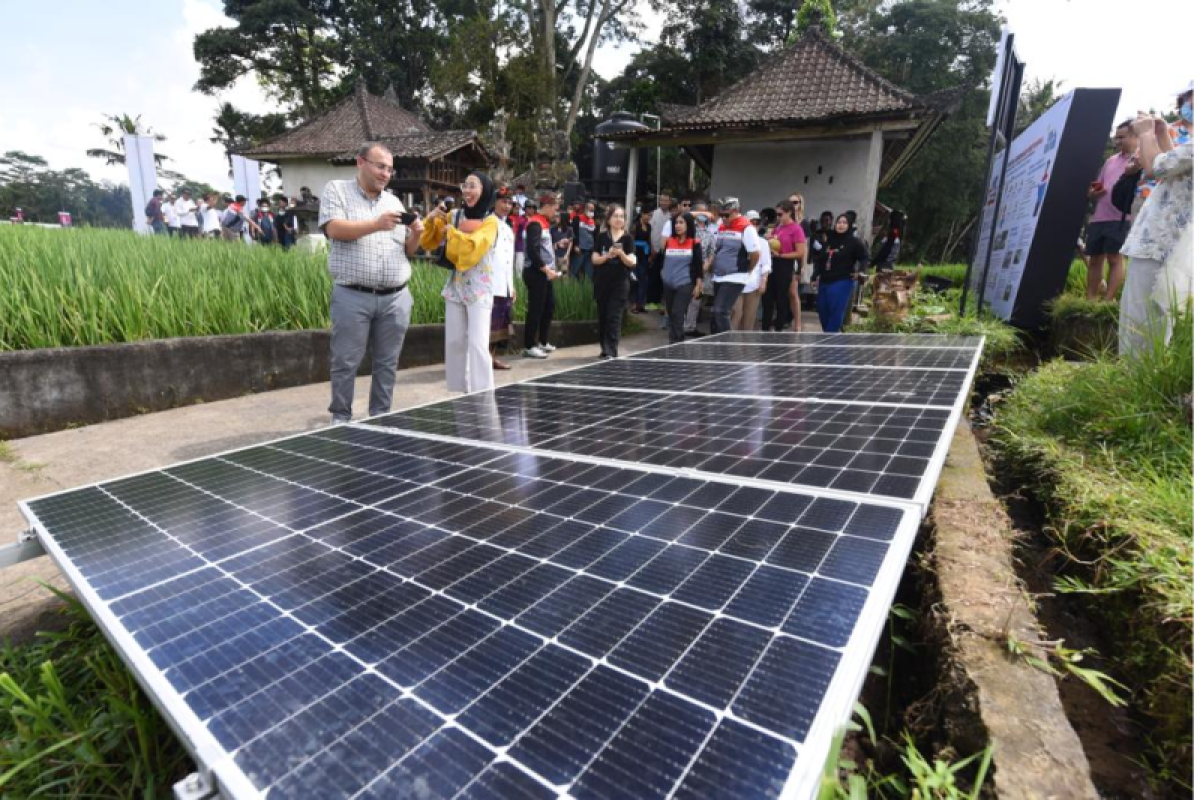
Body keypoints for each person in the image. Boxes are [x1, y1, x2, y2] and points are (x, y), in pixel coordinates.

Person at [318, 141, 422, 423]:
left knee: (387, 364)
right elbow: (333, 229)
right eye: (380, 166)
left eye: (389, 169)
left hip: (395, 297)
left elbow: (407, 252)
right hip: (353, 295)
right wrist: (375, 224)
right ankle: (340, 417)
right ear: (360, 162)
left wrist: (416, 234)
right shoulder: (336, 190)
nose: (385, 173)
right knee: (345, 361)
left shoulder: (394, 202)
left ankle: (380, 416)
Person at [1119, 95, 1193, 356]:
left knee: (1141, 316)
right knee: (1156, 315)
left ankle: (1134, 382)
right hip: (1167, 243)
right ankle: (1142, 379)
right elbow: (1176, 165)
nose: (1189, 111)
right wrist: (1162, 134)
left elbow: (1155, 168)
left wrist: (1146, 134)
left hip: (1161, 243)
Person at [423, 170, 501, 393]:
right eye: (465, 185)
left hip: (479, 288)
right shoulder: (455, 216)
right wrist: (433, 219)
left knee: (477, 344)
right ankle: (458, 391)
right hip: (456, 287)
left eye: (473, 185)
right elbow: (430, 241)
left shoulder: (490, 221)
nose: (467, 191)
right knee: (455, 342)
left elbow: (474, 249)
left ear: (484, 190)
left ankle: (483, 392)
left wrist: (453, 234)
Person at [1084, 120, 1139, 300]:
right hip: (1100, 217)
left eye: (1121, 137)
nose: (1117, 142)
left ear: (1134, 136)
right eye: (1116, 138)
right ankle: (1090, 301)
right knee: (1094, 260)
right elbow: (1095, 187)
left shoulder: (1141, 159)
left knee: (1114, 259)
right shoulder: (1111, 161)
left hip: (1122, 218)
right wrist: (1093, 192)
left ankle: (1108, 301)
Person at [591, 204, 637, 358]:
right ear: (609, 219)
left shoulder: (628, 238)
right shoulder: (601, 237)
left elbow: (632, 261)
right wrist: (607, 256)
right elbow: (595, 259)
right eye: (615, 216)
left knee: (614, 316)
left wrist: (621, 254)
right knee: (603, 316)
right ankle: (604, 348)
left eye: (621, 216)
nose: (619, 219)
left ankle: (611, 350)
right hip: (602, 282)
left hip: (620, 283)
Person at [522, 193, 563, 358]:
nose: (556, 211)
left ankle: (543, 341)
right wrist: (546, 269)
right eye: (554, 207)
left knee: (549, 306)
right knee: (536, 308)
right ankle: (529, 345)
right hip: (536, 272)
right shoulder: (535, 224)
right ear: (546, 206)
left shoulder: (544, 223)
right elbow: (532, 250)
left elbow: (543, 246)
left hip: (545, 273)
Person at [710, 197, 760, 334]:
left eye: (727, 215)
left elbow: (755, 254)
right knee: (715, 313)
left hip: (735, 275)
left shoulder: (747, 228)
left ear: (736, 211)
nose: (723, 218)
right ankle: (716, 345)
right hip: (719, 275)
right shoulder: (721, 226)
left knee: (721, 311)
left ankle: (728, 346)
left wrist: (748, 269)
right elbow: (718, 249)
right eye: (721, 215)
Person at [813, 213, 868, 333]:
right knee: (822, 310)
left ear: (849, 225)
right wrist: (815, 275)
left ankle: (829, 338)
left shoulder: (854, 242)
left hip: (842, 281)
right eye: (839, 222)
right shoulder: (829, 239)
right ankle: (830, 335)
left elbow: (864, 257)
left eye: (844, 223)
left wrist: (860, 272)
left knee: (836, 310)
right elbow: (821, 258)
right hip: (824, 280)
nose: (841, 225)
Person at [661, 212, 704, 344]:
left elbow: (698, 267)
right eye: (676, 223)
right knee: (671, 314)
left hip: (685, 283)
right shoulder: (668, 242)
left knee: (677, 313)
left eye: (681, 222)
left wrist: (698, 285)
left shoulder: (694, 243)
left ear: (688, 224)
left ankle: (675, 343)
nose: (678, 225)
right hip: (668, 283)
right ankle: (676, 341)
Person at [763, 201, 806, 331]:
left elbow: (800, 252)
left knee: (781, 299)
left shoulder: (796, 229)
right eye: (777, 214)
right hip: (772, 263)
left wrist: (781, 256)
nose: (778, 217)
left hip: (785, 264)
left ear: (789, 213)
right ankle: (765, 328)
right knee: (767, 298)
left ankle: (779, 329)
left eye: (780, 214)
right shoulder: (778, 227)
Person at [490, 186, 517, 371]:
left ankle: (492, 358)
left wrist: (511, 285)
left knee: (500, 324)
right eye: (503, 201)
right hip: (490, 282)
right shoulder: (488, 222)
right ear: (495, 202)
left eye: (510, 203)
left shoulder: (508, 227)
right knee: (488, 325)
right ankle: (483, 360)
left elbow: (509, 260)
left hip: (504, 283)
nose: (507, 206)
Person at [683, 202, 717, 336]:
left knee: (696, 299)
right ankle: (680, 325)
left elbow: (712, 251)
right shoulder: (689, 227)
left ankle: (690, 327)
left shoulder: (710, 231)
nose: (704, 215)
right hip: (687, 266)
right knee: (684, 297)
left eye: (705, 212)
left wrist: (708, 262)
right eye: (700, 212)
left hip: (702, 269)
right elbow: (686, 215)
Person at [734, 210, 771, 330]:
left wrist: (764, 281)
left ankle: (746, 346)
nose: (754, 225)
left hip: (753, 285)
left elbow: (766, 264)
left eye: (757, 223)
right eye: (751, 222)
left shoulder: (763, 243)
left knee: (749, 320)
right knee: (735, 316)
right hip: (737, 283)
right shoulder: (736, 240)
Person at [870, 209, 906, 273]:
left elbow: (885, 251)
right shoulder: (897, 231)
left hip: (885, 265)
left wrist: (873, 263)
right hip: (887, 263)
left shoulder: (894, 232)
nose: (889, 221)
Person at [571, 199, 597, 280]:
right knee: (574, 271)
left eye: (592, 210)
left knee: (589, 273)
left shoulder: (593, 221)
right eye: (589, 209)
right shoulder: (577, 218)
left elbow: (594, 235)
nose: (591, 211)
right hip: (580, 249)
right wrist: (575, 245)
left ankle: (586, 290)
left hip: (590, 250)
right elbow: (573, 233)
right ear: (585, 209)